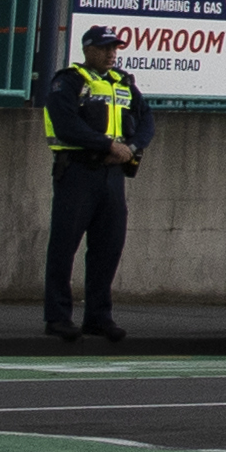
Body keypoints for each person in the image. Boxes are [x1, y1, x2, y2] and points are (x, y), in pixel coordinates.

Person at [38, 25, 142, 344]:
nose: (112, 53)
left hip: (112, 177)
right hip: (77, 173)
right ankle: (58, 317)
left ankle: (98, 317)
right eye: (105, 47)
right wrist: (108, 146)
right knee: (64, 246)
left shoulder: (123, 82)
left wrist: (132, 149)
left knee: (108, 248)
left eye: (115, 48)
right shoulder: (68, 81)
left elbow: (146, 120)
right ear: (88, 50)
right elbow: (66, 125)